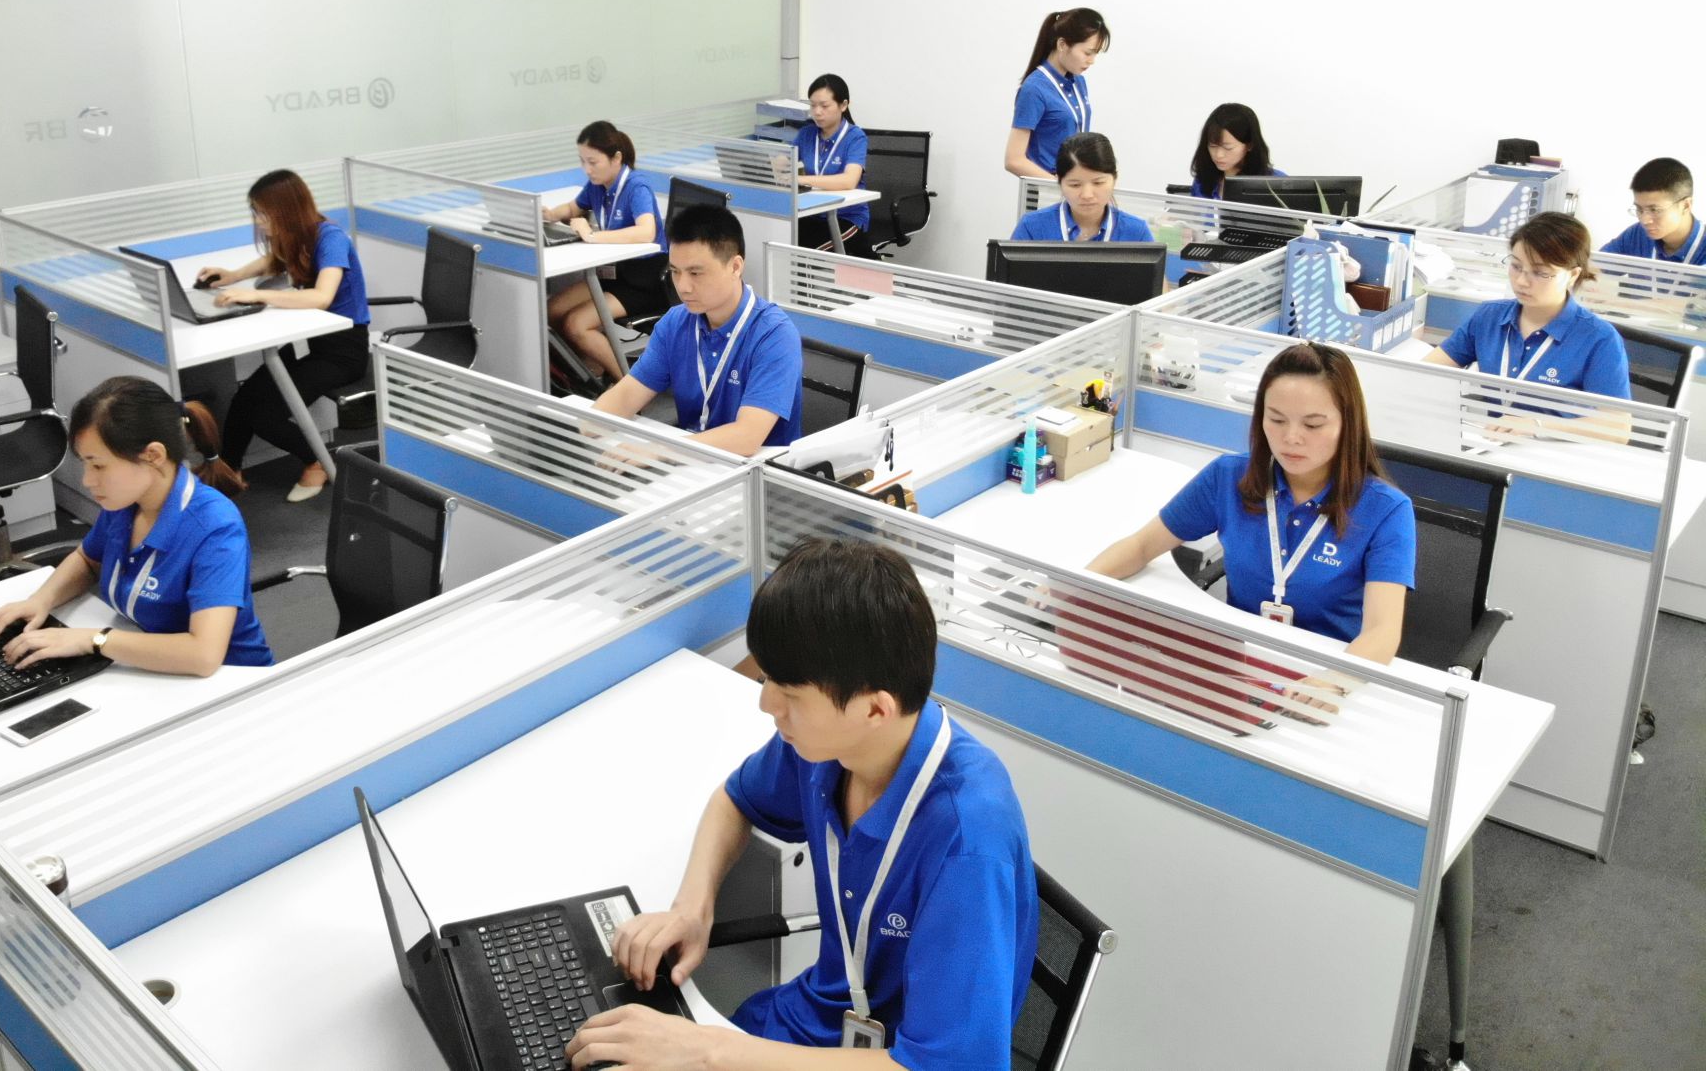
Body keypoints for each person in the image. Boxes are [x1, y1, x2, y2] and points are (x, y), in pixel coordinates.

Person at [570, 537, 1038, 1070]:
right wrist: (691, 909)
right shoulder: (827, 748)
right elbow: (734, 800)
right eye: (769, 678)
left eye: (790, 693)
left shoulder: (969, 840)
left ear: (874, 711)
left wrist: (705, 1052)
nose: (765, 702)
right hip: (808, 1025)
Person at [1089, 343, 1414, 704]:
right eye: (1276, 419)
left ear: (1347, 424)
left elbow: (1383, 632)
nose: (1291, 437)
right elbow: (1141, 546)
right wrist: (1074, 585)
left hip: (1327, 675)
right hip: (1236, 670)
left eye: (1313, 424)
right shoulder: (1229, 477)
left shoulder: (1387, 510)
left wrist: (1334, 682)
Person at [0, 376, 271, 673]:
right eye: (86, 464)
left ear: (153, 456)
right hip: (148, 661)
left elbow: (203, 656)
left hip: (229, 681)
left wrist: (94, 640)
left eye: (99, 465)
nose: (88, 480)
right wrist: (40, 601)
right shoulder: (126, 502)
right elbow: (88, 560)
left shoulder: (215, 526)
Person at [195, 169, 370, 503]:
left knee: (265, 414)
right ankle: (229, 471)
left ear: (287, 210)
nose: (259, 221)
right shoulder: (299, 236)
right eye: (256, 213)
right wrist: (233, 275)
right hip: (311, 343)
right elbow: (273, 260)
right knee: (245, 398)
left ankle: (317, 462)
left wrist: (257, 295)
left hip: (343, 352)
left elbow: (322, 297)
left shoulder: (330, 238)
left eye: (263, 214)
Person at [592, 204, 802, 454]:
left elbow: (747, 437)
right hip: (691, 458)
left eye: (695, 273)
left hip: (757, 469)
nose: (683, 287)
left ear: (735, 267)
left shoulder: (774, 334)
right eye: (675, 272)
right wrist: (582, 428)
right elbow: (626, 396)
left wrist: (659, 450)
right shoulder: (675, 323)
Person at [1420, 213, 1631, 400]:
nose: (1521, 281)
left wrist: (1538, 424)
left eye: (1540, 273)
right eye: (1516, 266)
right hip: (1488, 432)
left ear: (1573, 275)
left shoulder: (1599, 338)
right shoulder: (1490, 317)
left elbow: (1617, 424)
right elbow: (1425, 371)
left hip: (1551, 435)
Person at [543, 121, 668, 383]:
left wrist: (591, 236)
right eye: (582, 161)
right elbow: (573, 208)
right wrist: (551, 214)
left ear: (616, 158)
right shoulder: (598, 185)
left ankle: (630, 386)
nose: (587, 169)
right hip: (614, 271)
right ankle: (592, 370)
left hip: (644, 280)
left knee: (576, 325)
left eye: (593, 162)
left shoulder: (636, 186)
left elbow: (647, 231)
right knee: (551, 311)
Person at [1004, 6, 1109, 181]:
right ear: (1062, 45)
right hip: (1046, 189)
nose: (1091, 61)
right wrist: (1060, 185)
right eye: (1087, 53)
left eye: (1095, 54)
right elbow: (1013, 160)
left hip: (1073, 186)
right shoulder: (1034, 89)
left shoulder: (1078, 82)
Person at [1010, 132, 1154, 243]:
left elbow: (1156, 274)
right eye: (1075, 185)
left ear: (1114, 179)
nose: (1087, 195)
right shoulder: (1032, 228)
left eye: (1098, 183)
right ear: (1060, 182)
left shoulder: (1137, 233)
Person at [793, 74, 874, 259]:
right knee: (779, 240)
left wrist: (801, 179)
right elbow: (786, 161)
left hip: (846, 218)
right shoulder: (806, 133)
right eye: (813, 105)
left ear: (843, 105)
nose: (817, 112)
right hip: (811, 214)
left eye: (824, 106)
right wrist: (777, 162)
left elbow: (849, 180)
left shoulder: (855, 137)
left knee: (799, 254)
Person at [1600, 157, 1704, 267]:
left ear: (1685, 206)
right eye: (1639, 209)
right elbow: (1595, 267)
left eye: (1655, 210)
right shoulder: (1638, 234)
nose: (1644, 221)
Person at [1188, 103, 1286, 199]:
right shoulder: (1201, 182)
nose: (1218, 155)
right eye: (1212, 146)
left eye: (1228, 147)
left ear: (1249, 145)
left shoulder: (1277, 183)